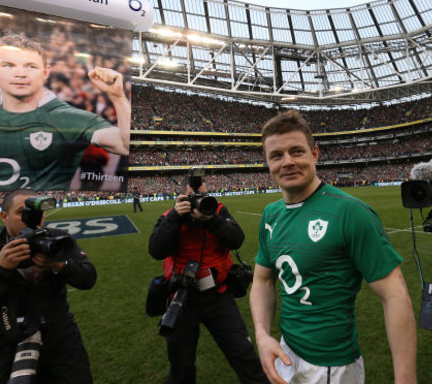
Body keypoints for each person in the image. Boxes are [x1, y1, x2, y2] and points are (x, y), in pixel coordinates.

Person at [250, 110, 416, 384]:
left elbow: (395, 296)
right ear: (267, 162)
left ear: (315, 154)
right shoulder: (270, 215)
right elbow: (263, 280)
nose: (287, 162)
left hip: (331, 366)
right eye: (277, 155)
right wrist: (262, 335)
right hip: (285, 353)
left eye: (297, 151)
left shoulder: (350, 212)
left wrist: (406, 380)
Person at [0, 33, 131, 194]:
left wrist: (118, 97)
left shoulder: (71, 117)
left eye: (31, 66)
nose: (20, 74)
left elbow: (124, 146)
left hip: (40, 213)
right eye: (8, 65)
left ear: (46, 72)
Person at [0, 188, 97, 384]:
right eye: (21, 213)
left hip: (60, 339)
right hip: (4, 342)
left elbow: (89, 279)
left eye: (38, 213)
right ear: (4, 216)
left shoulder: (58, 241)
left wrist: (61, 265)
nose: (31, 220)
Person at [148, 174, 268, 384]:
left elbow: (236, 239)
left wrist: (212, 221)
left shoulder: (218, 211)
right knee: (181, 366)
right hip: (182, 298)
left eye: (203, 195)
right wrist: (176, 218)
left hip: (218, 295)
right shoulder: (170, 216)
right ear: (182, 196)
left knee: (244, 355)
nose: (200, 200)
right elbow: (157, 250)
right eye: (194, 196)